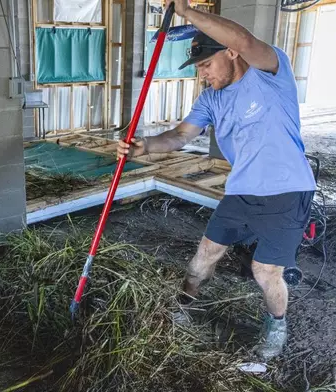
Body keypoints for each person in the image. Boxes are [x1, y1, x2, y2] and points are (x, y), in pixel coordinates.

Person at [117, 0, 316, 361]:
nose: (202, 74)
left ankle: (277, 325)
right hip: (240, 191)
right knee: (203, 256)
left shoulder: (270, 73)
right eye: (198, 68)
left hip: (286, 191)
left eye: (206, 65)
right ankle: (182, 305)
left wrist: (188, 13)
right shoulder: (210, 98)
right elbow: (179, 136)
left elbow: (244, 38)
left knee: (266, 270)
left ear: (230, 53)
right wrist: (144, 146)